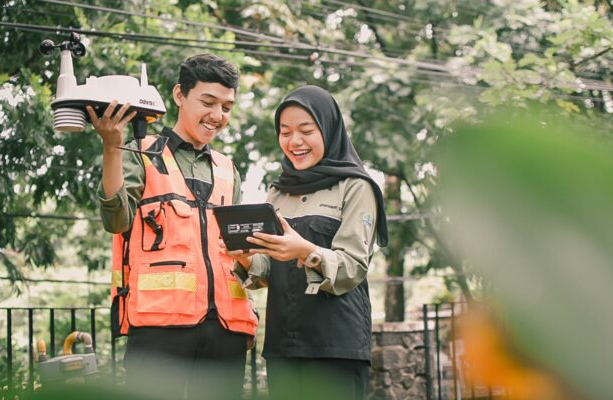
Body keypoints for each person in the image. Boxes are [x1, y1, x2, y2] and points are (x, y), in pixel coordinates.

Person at [87, 54, 258, 399]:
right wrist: (111, 148)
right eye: (208, 102)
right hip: (159, 329)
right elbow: (115, 219)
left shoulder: (228, 169)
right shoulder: (141, 152)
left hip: (226, 330)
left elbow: (239, 251)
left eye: (226, 107)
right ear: (180, 95)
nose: (217, 116)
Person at [227, 85, 388, 400]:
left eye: (306, 130)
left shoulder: (355, 187)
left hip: (336, 347)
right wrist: (246, 258)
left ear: (328, 129)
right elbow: (269, 269)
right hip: (283, 346)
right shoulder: (278, 192)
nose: (294, 141)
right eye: (285, 132)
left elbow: (354, 266)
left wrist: (307, 252)